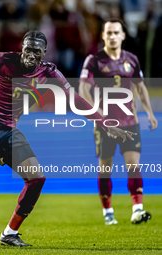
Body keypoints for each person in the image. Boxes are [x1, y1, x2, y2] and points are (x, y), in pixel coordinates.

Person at [0, 30, 134, 247]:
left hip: (9, 128)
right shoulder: (0, 60)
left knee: (37, 179)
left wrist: (105, 123)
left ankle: (10, 233)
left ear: (44, 53)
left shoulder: (49, 72)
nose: (30, 55)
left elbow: (74, 99)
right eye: (27, 49)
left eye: (36, 52)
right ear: (22, 48)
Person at [79, 19, 158, 225]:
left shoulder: (132, 59)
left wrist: (149, 112)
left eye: (116, 32)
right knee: (106, 169)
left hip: (130, 122)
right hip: (105, 125)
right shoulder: (93, 61)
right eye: (109, 33)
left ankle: (137, 210)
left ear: (123, 35)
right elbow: (83, 89)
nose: (113, 36)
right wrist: (95, 112)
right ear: (103, 36)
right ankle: (108, 212)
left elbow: (140, 88)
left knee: (133, 165)